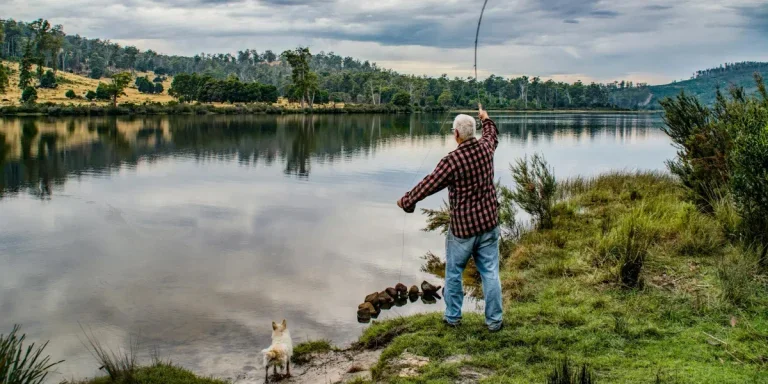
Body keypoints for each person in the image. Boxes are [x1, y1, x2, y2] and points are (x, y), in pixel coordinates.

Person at [397, 106, 503, 332]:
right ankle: (494, 321)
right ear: (472, 132)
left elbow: (429, 183)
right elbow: (492, 134)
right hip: (488, 224)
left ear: (456, 134)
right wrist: (486, 119)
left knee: (454, 273)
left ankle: (453, 318)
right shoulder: (486, 148)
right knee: (490, 273)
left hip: (463, 230)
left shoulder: (452, 160)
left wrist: (408, 201)